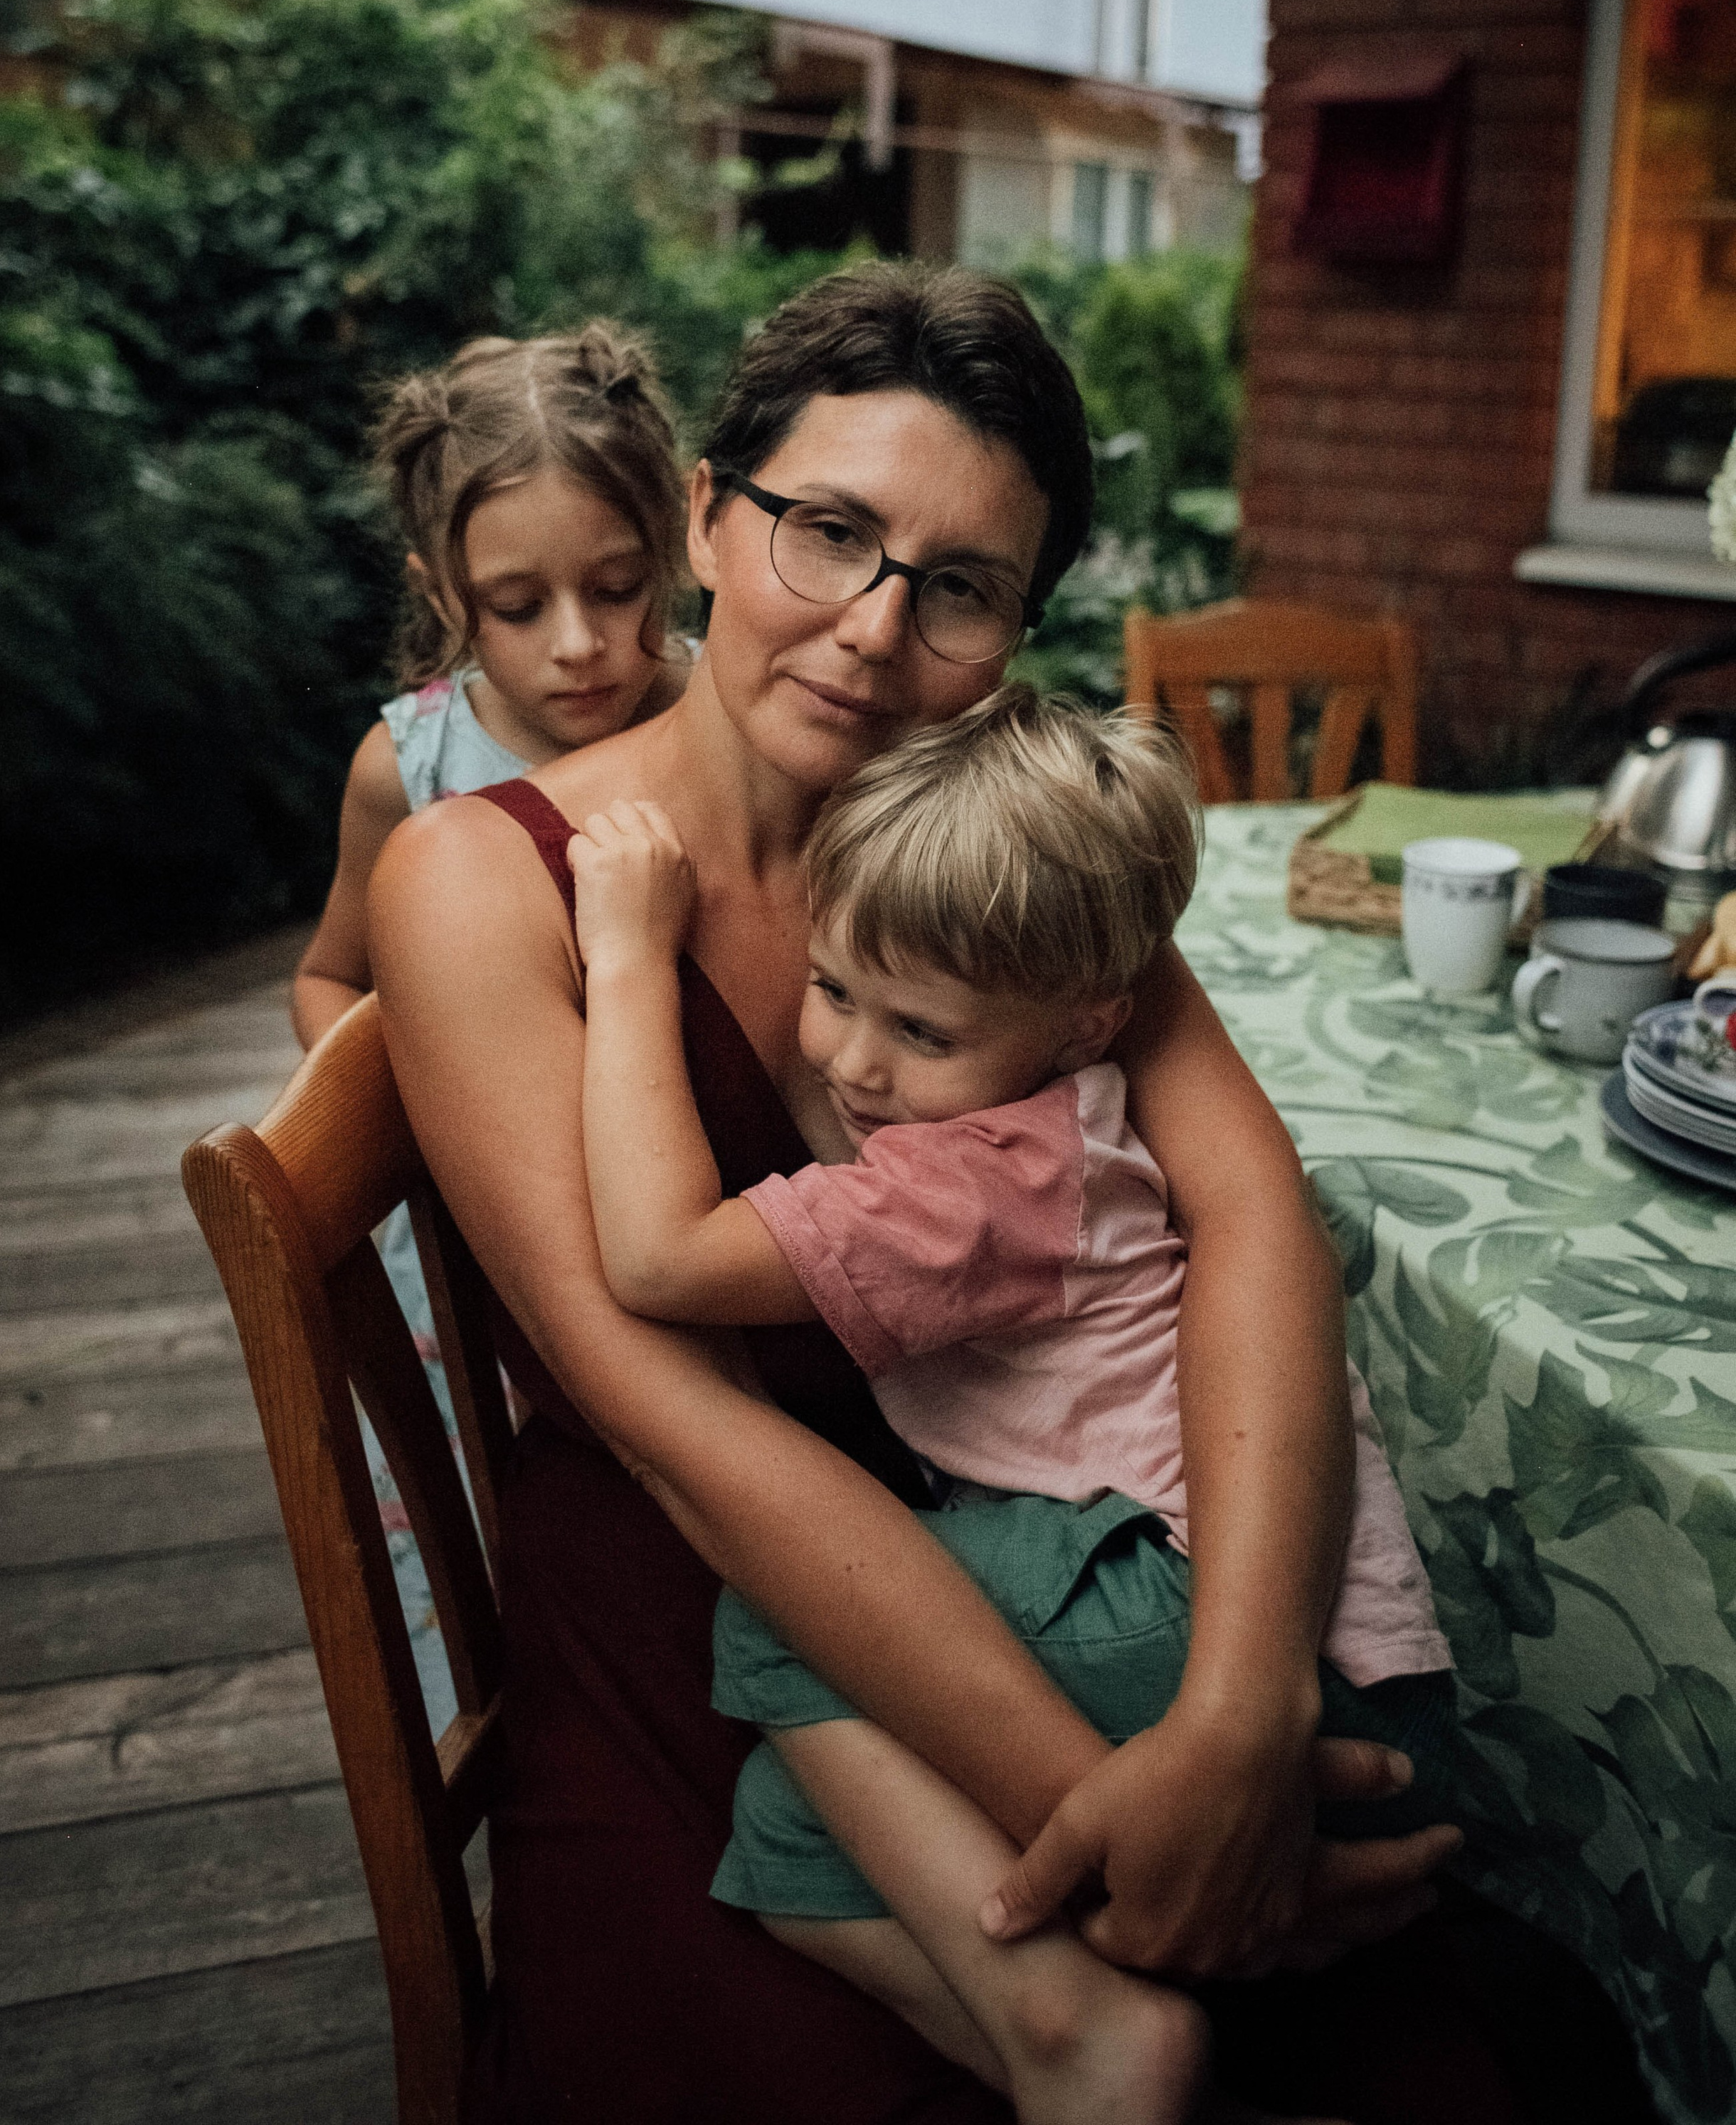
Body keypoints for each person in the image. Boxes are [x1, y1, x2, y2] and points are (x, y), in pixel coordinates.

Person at [367, 263, 1486, 2125]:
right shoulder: (483, 882)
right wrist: (1113, 1824)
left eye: (959, 585)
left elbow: (1249, 1217)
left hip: (1039, 1534)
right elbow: (670, 1424)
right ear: (712, 514)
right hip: (714, 1626)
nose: (877, 632)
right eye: (829, 531)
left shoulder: (992, 840)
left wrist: (1236, 1716)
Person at [567, 683, 1456, 2125]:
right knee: (786, 1838)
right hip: (1242, 1600)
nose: (853, 1058)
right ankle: (1087, 2038)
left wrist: (621, 953)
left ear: (1083, 1022)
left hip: (1183, 1597)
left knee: (772, 1610)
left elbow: (657, 1253)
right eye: (834, 987)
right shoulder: (1039, 1099)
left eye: (918, 1028)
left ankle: (1107, 2044)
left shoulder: (977, 1178)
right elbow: (851, 1096)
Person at [291, 321, 694, 1050]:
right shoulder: (409, 766)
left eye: (617, 587)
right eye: (518, 607)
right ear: (441, 595)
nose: (577, 645)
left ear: (671, 548)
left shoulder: (721, 713)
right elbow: (331, 979)